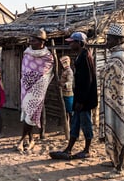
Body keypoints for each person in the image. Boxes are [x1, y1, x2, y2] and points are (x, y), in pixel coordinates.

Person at [99, 23, 124, 177]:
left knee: (119, 129)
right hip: (121, 101)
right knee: (120, 129)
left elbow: (111, 78)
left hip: (118, 103)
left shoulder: (118, 58)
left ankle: (120, 167)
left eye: (109, 39)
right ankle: (116, 161)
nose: (106, 42)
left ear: (117, 40)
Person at [50, 31, 98, 160]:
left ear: (80, 43)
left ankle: (87, 149)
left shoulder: (85, 57)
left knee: (85, 123)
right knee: (75, 123)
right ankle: (68, 149)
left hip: (85, 99)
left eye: (72, 42)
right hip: (80, 97)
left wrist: (81, 100)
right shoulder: (80, 56)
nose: (70, 44)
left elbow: (87, 81)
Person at [16, 29, 54, 152]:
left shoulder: (48, 57)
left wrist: (37, 82)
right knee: (28, 114)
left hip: (38, 89)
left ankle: (21, 139)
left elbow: (47, 73)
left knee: (31, 115)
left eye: (34, 39)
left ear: (42, 41)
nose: (31, 41)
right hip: (26, 88)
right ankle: (31, 140)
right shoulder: (27, 54)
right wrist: (27, 81)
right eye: (31, 39)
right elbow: (25, 71)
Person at [59, 55, 74, 126]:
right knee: (66, 111)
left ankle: (72, 126)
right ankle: (67, 125)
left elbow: (70, 82)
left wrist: (62, 84)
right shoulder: (64, 70)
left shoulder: (69, 71)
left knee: (70, 111)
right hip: (64, 93)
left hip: (68, 94)